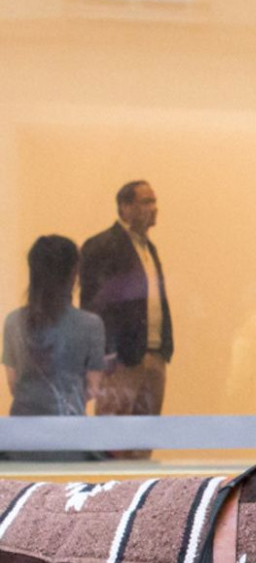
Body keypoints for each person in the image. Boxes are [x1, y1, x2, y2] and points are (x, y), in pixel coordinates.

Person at [80, 179, 173, 420]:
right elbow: (92, 306)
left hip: (154, 355)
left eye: (154, 201)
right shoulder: (102, 246)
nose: (154, 208)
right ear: (125, 207)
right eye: (146, 201)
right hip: (120, 361)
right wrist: (105, 355)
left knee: (144, 440)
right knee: (113, 441)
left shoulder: (149, 249)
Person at [3, 235, 105, 453]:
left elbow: (13, 383)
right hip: (72, 438)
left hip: (20, 438)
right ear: (73, 275)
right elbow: (92, 388)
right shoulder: (91, 325)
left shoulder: (13, 322)